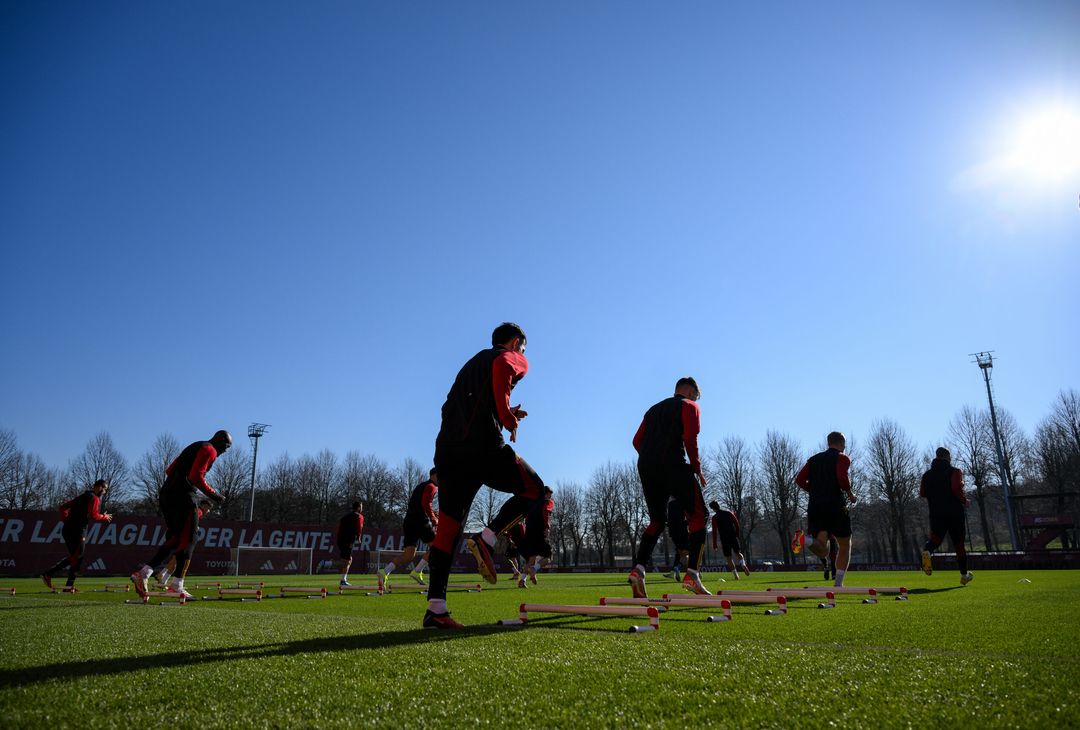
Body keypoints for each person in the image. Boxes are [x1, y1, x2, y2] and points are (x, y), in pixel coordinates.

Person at [424, 322, 547, 629]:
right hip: (481, 448)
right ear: (516, 342)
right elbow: (506, 367)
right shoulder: (509, 355)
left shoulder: (471, 364)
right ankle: (486, 539)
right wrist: (506, 416)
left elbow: (454, 405)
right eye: (522, 348)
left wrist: (502, 408)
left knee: (448, 531)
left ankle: (435, 609)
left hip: (449, 451)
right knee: (536, 490)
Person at [628, 377, 711, 598]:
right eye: (696, 395)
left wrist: (651, 459)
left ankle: (638, 569)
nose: (696, 398)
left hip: (646, 467)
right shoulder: (689, 406)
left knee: (656, 520)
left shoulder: (652, 410)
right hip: (673, 464)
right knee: (699, 516)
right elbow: (690, 438)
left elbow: (637, 441)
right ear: (690, 391)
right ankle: (692, 575)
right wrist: (697, 468)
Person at [130, 430, 231, 598]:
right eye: (226, 446)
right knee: (191, 538)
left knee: (177, 539)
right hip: (183, 496)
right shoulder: (210, 450)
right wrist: (214, 494)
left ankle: (144, 572)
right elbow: (195, 476)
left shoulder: (196, 446)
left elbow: (170, 470)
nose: (225, 451)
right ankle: (177, 585)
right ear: (220, 441)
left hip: (166, 494)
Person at [794, 431, 857, 587]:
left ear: (828, 443)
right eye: (844, 444)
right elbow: (842, 478)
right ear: (841, 443)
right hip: (835, 504)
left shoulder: (813, 460)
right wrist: (850, 494)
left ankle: (805, 540)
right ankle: (838, 584)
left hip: (815, 506)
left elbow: (800, 479)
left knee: (823, 550)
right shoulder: (842, 457)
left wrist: (815, 490)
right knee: (844, 544)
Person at [41, 479, 113, 591]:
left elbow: (62, 508)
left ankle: (67, 586)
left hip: (67, 530)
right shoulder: (94, 498)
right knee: (78, 557)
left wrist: (67, 521)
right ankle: (50, 574)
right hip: (78, 531)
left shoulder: (81, 497)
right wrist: (104, 517)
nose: (104, 492)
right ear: (99, 487)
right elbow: (94, 515)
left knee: (76, 557)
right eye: (104, 489)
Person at [919, 447, 974, 585]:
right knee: (959, 543)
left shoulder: (926, 475)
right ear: (947, 457)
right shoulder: (955, 471)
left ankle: (927, 551)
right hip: (954, 512)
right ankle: (964, 575)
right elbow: (956, 488)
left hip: (936, 513)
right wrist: (964, 500)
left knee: (936, 540)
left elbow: (922, 493)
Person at [379, 469, 438, 591]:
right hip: (420, 521)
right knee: (437, 546)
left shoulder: (421, 485)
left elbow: (419, 504)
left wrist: (432, 514)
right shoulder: (431, 486)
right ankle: (418, 571)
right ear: (435, 475)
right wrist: (433, 519)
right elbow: (426, 503)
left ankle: (384, 572)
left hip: (409, 521)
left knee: (408, 556)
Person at [156, 498, 213, 589]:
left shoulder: (194, 510)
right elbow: (189, 521)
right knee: (181, 558)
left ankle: (163, 579)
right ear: (204, 506)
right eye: (209, 508)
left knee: (177, 558)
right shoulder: (199, 511)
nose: (209, 511)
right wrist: (195, 528)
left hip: (174, 532)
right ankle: (165, 578)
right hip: (180, 534)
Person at [517, 486, 555, 588]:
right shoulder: (548, 502)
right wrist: (547, 528)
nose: (550, 496)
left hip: (529, 534)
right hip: (539, 532)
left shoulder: (532, 503)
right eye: (550, 494)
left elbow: (525, 518)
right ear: (547, 494)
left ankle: (522, 580)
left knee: (531, 558)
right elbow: (546, 512)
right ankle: (534, 569)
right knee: (549, 556)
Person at [709, 501, 750, 581]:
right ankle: (743, 564)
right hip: (732, 536)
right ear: (718, 505)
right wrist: (737, 534)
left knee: (728, 558)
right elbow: (737, 524)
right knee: (738, 553)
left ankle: (736, 575)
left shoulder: (714, 518)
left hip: (724, 539)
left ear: (713, 509)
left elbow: (714, 531)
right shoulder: (729, 513)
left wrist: (714, 544)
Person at [334, 502, 365, 587]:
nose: (362, 509)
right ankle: (327, 564)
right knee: (347, 561)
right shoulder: (359, 516)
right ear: (358, 508)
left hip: (340, 540)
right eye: (361, 507)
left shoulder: (345, 517)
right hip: (348, 541)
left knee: (347, 559)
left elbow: (340, 529)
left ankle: (343, 580)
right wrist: (358, 537)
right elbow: (359, 528)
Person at [662, 497, 689, 582]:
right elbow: (687, 515)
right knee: (687, 552)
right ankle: (680, 568)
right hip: (682, 530)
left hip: (673, 532)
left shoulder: (670, 504)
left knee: (680, 553)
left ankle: (674, 572)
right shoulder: (683, 502)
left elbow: (668, 518)